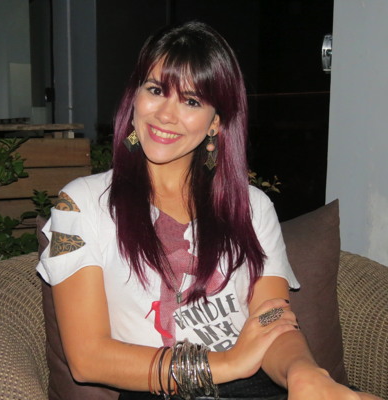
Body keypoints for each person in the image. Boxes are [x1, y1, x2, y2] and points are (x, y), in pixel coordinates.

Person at [37, 21, 381, 400]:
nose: (166, 114)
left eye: (191, 101)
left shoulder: (251, 206)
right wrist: (230, 362)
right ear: (134, 97)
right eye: (156, 90)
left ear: (215, 121)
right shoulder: (82, 203)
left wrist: (304, 374)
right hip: (162, 389)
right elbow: (88, 358)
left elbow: (271, 316)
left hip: (257, 386)